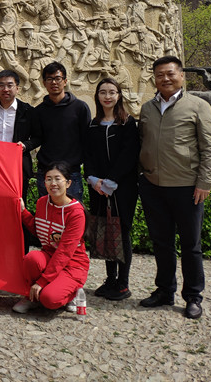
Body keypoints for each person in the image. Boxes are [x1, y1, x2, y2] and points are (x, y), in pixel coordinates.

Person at [138, 56, 211, 319]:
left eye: (170, 73)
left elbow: (210, 147)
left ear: (181, 75)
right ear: (154, 79)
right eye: (160, 75)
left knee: (190, 244)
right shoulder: (148, 108)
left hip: (187, 187)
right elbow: (143, 142)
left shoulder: (198, 106)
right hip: (153, 186)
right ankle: (164, 290)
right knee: (161, 242)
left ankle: (193, 296)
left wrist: (205, 182)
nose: (165, 79)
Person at [83, 78, 140, 301]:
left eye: (112, 92)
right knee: (105, 230)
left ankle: (123, 283)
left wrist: (112, 180)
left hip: (122, 188)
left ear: (119, 95)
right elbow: (88, 154)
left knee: (121, 231)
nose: (107, 96)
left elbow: (129, 154)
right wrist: (93, 179)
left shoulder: (127, 123)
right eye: (103, 92)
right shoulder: (93, 125)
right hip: (98, 187)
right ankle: (110, 279)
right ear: (97, 96)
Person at [12, 162, 89, 313]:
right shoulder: (42, 203)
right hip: (49, 256)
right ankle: (32, 297)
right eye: (48, 179)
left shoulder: (76, 213)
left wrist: (41, 282)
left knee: (49, 299)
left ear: (68, 183)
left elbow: (64, 252)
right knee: (31, 258)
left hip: (73, 263)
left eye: (57, 179)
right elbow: (39, 230)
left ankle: (74, 292)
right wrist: (23, 212)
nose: (53, 183)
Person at [28, 62, 90, 201]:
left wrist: (89, 170)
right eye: (49, 79)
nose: (54, 82)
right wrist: (23, 146)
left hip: (71, 173)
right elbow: (38, 138)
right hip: (46, 172)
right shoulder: (39, 111)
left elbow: (87, 140)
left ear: (65, 81)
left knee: (72, 212)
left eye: (57, 78)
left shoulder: (80, 108)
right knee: (47, 212)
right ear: (44, 83)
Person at [0, 70, 34, 203]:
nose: (5, 89)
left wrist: (25, 145)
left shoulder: (28, 111)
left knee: (18, 202)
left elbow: (38, 137)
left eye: (10, 85)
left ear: (17, 88)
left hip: (18, 165)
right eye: (1, 85)